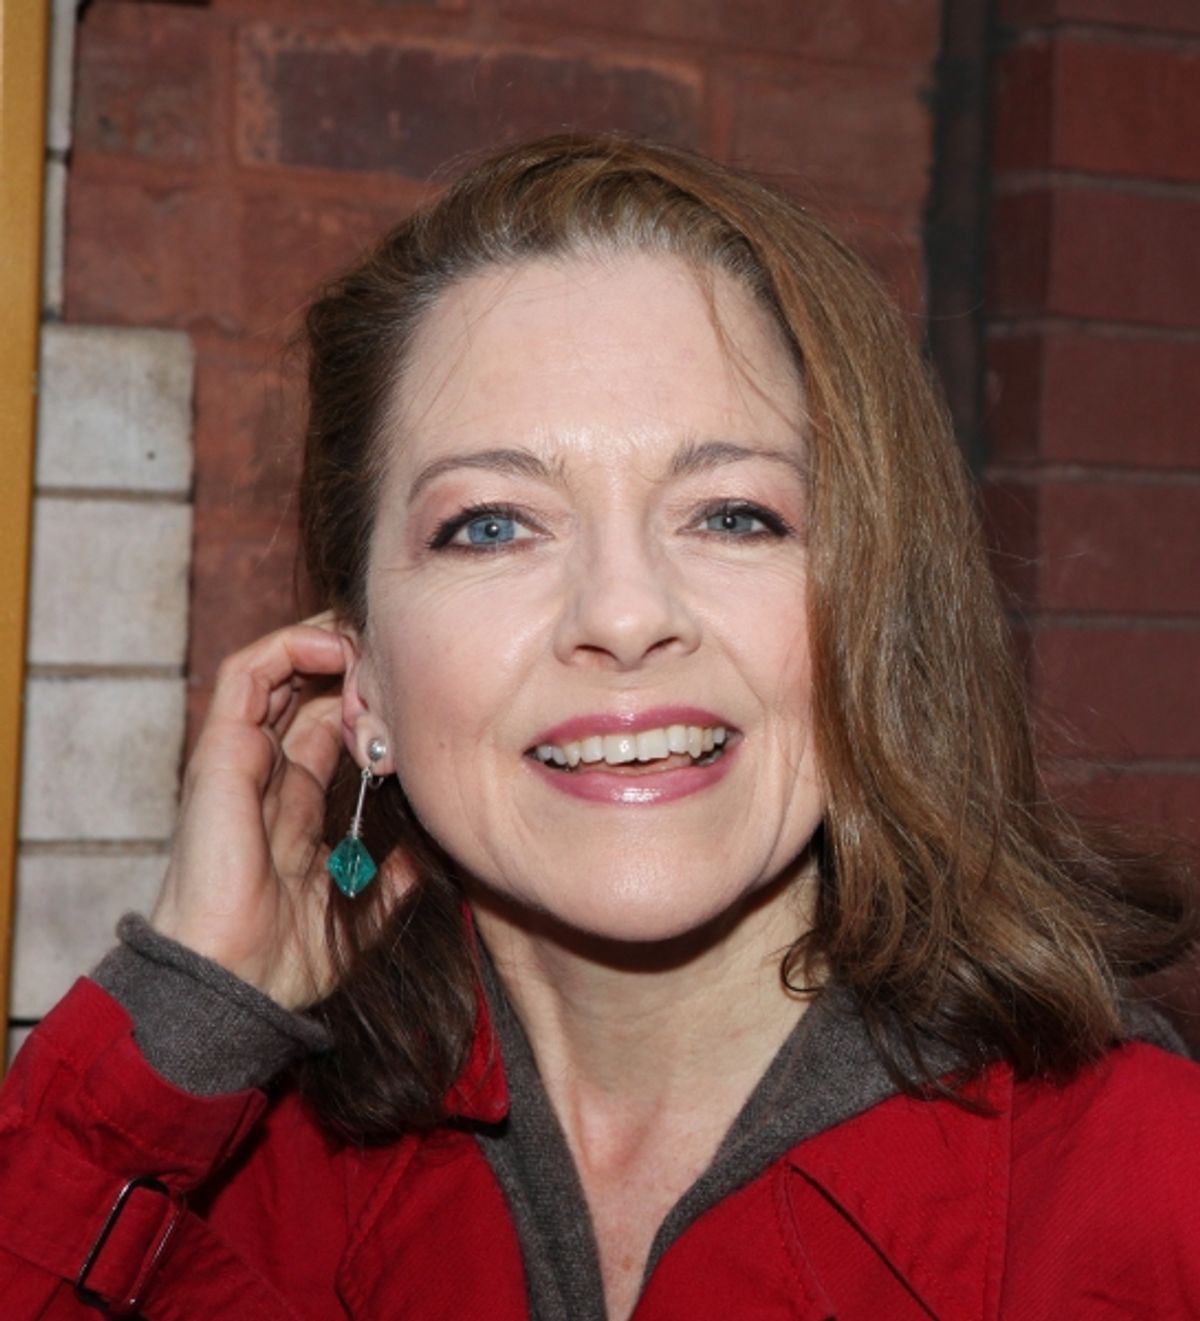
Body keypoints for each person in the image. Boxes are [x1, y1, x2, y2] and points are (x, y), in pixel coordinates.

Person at [1, 133, 1197, 1320]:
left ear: (872, 614)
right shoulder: (202, 1192)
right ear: (359, 680)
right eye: (492, 526)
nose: (624, 615)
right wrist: (185, 1009)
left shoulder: (1146, 1196)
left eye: (733, 515)